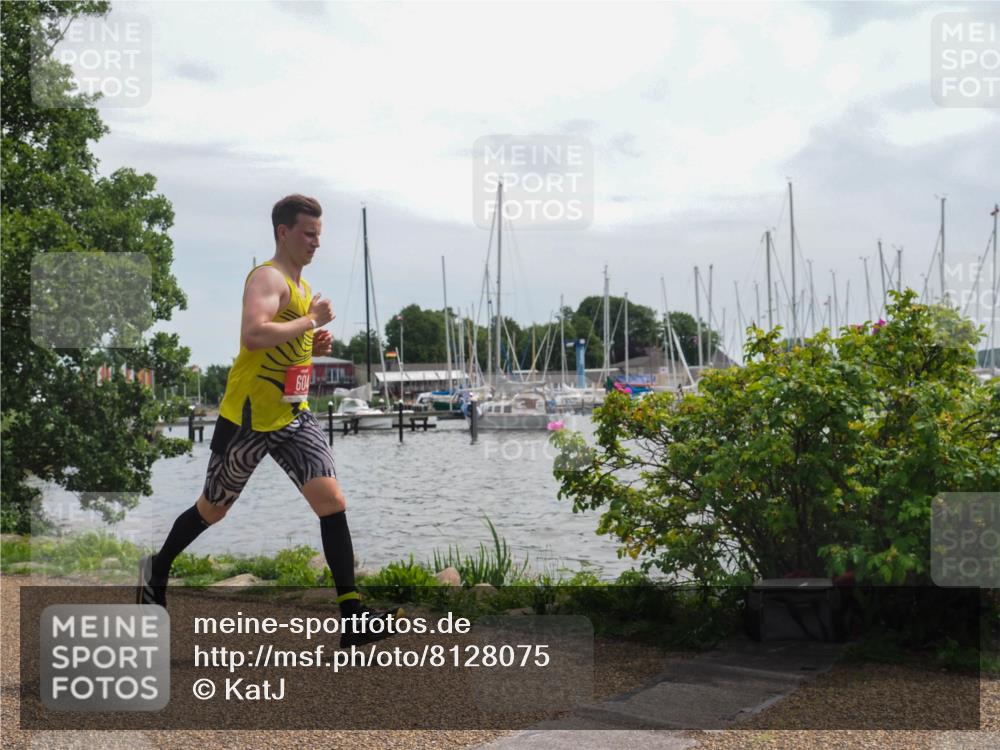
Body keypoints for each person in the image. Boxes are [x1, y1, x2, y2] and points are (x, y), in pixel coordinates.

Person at [138, 194, 398, 648]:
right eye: (308, 233)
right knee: (213, 508)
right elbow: (254, 335)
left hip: (293, 415)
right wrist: (310, 322)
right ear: (283, 232)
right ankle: (157, 569)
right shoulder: (267, 278)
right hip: (249, 418)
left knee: (332, 501)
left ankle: (353, 618)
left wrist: (312, 344)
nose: (316, 242)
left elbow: (287, 344)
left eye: (319, 234)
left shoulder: (302, 287)